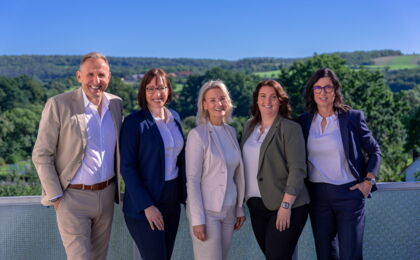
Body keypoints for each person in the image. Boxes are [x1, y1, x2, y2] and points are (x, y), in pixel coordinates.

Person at [32, 52, 123, 260]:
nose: (95, 80)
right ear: (78, 76)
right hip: (72, 198)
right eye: (89, 74)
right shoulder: (59, 104)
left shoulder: (116, 104)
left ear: (109, 77)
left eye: (101, 74)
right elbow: (41, 154)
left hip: (107, 195)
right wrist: (56, 197)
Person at [297, 68, 381, 260]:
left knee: (350, 254)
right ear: (312, 91)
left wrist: (368, 181)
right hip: (318, 197)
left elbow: (375, 151)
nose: (323, 92)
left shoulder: (351, 118)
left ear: (335, 90)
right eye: (318, 87)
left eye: (328, 87)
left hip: (349, 194)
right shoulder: (304, 122)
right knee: (325, 255)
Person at [119, 68, 186, 260]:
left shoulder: (176, 118)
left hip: (172, 200)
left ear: (168, 90)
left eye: (162, 87)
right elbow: (127, 167)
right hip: (144, 205)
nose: (157, 94)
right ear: (143, 92)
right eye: (151, 89)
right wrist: (147, 206)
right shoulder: (134, 123)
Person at [241, 79, 309, 260]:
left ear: (280, 100)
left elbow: (298, 169)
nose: (267, 101)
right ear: (257, 100)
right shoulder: (249, 127)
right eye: (262, 96)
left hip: (286, 206)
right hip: (256, 206)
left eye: (273, 97)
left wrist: (286, 206)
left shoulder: (290, 128)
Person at [185, 80, 245, 260]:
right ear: (204, 105)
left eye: (222, 98)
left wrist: (239, 208)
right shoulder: (197, 135)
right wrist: (197, 220)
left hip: (229, 212)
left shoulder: (231, 132)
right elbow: (192, 181)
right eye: (212, 100)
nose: (218, 104)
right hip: (207, 213)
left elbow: (237, 175)